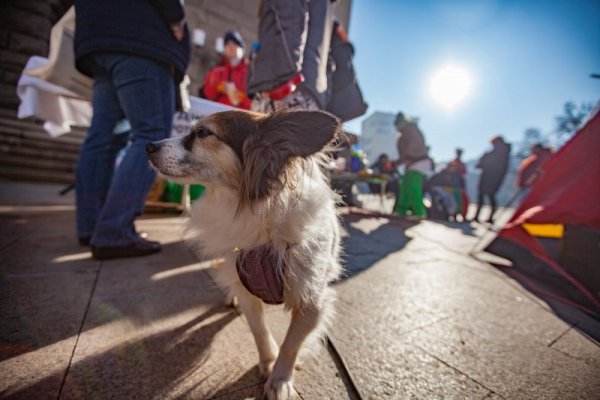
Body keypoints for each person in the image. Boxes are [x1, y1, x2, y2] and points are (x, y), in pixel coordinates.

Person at [73, 0, 190, 259]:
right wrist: (175, 15)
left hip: (98, 38)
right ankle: (113, 230)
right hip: (141, 40)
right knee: (152, 136)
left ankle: (91, 226)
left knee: (102, 138)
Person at [248, 0, 333, 113]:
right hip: (308, 93)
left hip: (285, 91)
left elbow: (289, 28)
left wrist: (284, 82)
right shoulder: (325, 7)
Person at [392, 112, 432, 218]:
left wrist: (409, 157)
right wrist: (397, 163)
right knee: (405, 186)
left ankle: (419, 212)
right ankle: (401, 210)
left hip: (419, 162)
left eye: (398, 125)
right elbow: (403, 153)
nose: (397, 128)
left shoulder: (411, 130)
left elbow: (413, 146)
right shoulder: (405, 133)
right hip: (412, 163)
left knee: (413, 187)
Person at [201, 31, 251, 109]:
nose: (231, 47)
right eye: (227, 44)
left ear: (242, 49)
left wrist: (242, 98)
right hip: (218, 115)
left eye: (235, 44)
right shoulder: (215, 71)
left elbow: (255, 98)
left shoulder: (250, 73)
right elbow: (206, 94)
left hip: (240, 117)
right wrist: (219, 88)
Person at [470, 135, 511, 223]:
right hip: (491, 178)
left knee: (486, 195)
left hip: (490, 178)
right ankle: (483, 216)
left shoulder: (499, 154)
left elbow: (484, 164)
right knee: (488, 196)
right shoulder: (502, 154)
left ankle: (483, 216)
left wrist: (484, 162)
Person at [447, 147, 469, 220]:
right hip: (453, 185)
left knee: (460, 200)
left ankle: (459, 214)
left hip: (458, 185)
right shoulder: (453, 163)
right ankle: (454, 214)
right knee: (454, 200)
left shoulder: (459, 164)